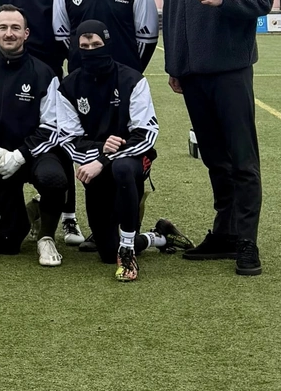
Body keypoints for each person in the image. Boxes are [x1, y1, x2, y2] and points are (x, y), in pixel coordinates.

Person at [161, 0, 273, 277]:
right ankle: (225, 233)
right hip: (192, 76)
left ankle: (247, 242)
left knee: (242, 160)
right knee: (214, 159)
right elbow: (172, 14)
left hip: (229, 72)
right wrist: (174, 65)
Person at [54, 20, 194, 281]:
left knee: (121, 167)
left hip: (131, 162)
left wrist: (103, 159)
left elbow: (145, 134)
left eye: (96, 44)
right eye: (84, 46)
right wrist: (100, 150)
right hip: (94, 165)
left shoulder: (132, 79)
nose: (91, 50)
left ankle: (128, 248)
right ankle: (158, 236)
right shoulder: (69, 86)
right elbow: (69, 139)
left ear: (107, 44)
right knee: (107, 253)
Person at [0, 0, 82, 247]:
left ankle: (68, 216)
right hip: (5, 70)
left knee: (58, 140)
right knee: (4, 134)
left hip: (46, 69)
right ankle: (7, 211)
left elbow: (63, 23)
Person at [0, 5, 69, 267]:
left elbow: (51, 127)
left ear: (26, 33)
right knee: (6, 244)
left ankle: (46, 237)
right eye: (4, 28)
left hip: (35, 155)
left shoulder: (44, 73)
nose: (9, 33)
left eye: (16, 28)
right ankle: (29, 213)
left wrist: (20, 155)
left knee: (53, 179)